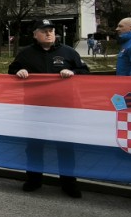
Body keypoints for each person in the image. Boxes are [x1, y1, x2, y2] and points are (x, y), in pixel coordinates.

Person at [8, 18, 89, 198]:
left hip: (63, 109)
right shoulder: (25, 54)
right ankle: (34, 179)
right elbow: (11, 70)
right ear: (35, 34)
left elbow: (85, 71)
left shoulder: (68, 52)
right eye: (44, 30)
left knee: (65, 147)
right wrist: (18, 72)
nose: (49, 33)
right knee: (35, 146)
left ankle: (69, 183)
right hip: (35, 108)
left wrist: (73, 72)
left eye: (51, 30)